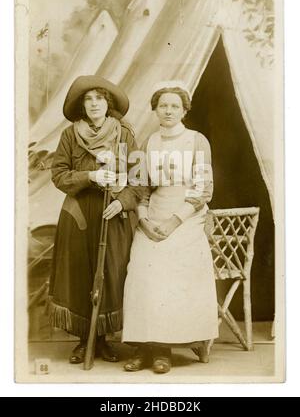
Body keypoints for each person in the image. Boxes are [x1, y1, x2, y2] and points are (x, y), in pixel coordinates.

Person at [122, 81, 219, 373]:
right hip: (152, 215)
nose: (168, 110)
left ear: (184, 110)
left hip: (187, 216)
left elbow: (203, 189)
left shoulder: (197, 140)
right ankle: (142, 346)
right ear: (154, 109)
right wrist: (143, 219)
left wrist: (174, 221)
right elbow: (140, 187)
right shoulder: (147, 143)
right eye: (162, 105)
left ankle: (164, 350)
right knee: (140, 270)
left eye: (174, 105)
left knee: (168, 272)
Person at [48, 75, 142, 364]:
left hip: (112, 214)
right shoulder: (69, 135)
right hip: (78, 214)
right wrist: (90, 176)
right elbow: (59, 175)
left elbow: (138, 180)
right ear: (82, 105)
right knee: (80, 274)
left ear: (108, 103)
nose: (94, 104)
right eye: (88, 99)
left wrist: (121, 202)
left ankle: (103, 340)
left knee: (111, 274)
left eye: (99, 98)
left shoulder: (124, 133)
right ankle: (84, 341)